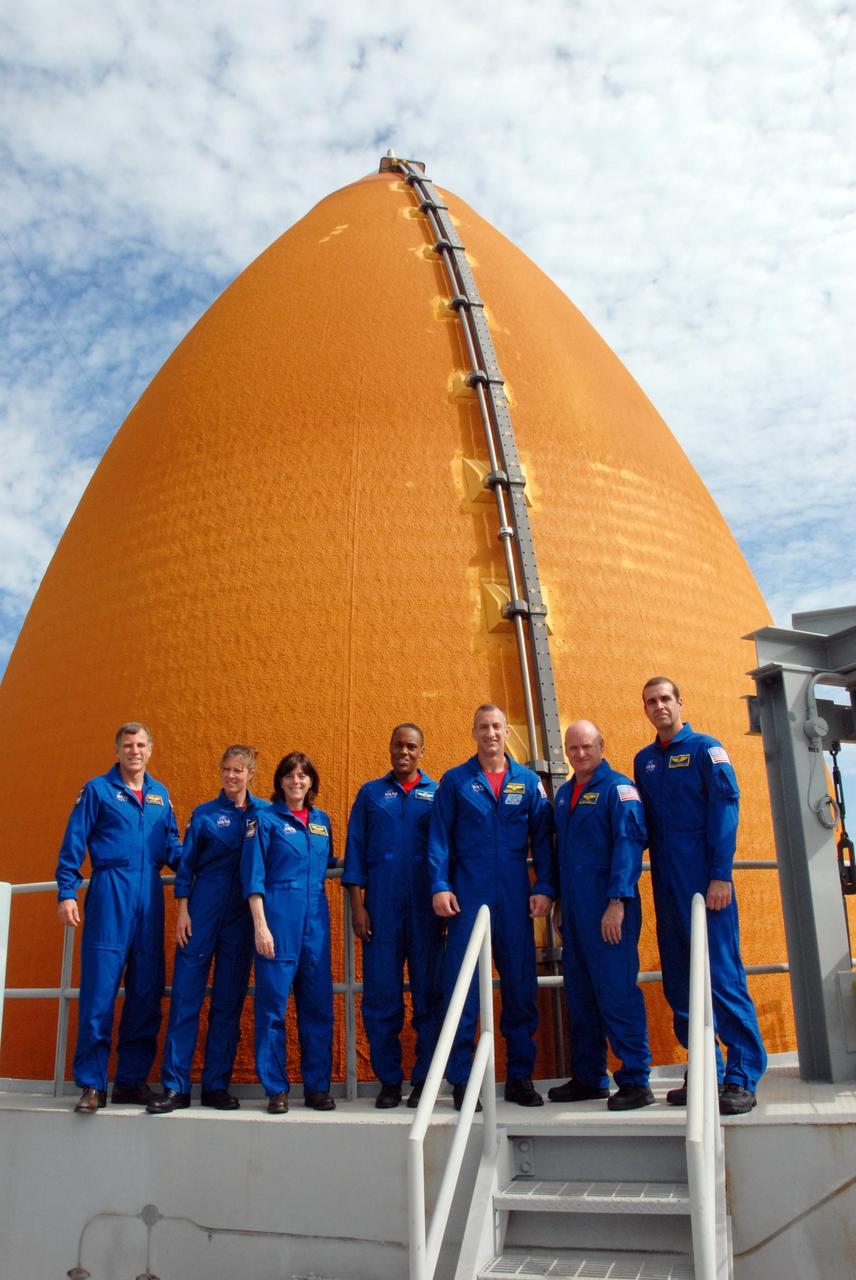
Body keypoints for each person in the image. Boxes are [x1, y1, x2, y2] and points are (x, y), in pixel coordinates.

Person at [633, 677, 767, 1115]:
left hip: (707, 883)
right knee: (680, 980)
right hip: (667, 882)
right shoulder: (645, 761)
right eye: (651, 701)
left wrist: (720, 874)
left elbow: (725, 809)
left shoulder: (706, 750)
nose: (659, 707)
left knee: (722, 975)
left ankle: (743, 1075)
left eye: (665, 698)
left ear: (679, 701)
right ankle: (705, 1068)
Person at [429, 703, 555, 1109]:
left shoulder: (527, 781)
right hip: (468, 896)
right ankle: (464, 1081)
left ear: (505, 732)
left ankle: (520, 1077)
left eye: (497, 726)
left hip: (515, 899)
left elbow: (544, 839)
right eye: (483, 726)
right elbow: (438, 840)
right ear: (474, 732)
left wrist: (545, 887)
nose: (491, 733)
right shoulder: (456, 781)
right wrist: (440, 885)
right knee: (462, 989)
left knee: (520, 989)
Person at [55, 722, 182, 1113]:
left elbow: (172, 845)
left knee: (146, 991)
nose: (135, 751)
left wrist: (199, 859)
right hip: (110, 890)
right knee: (99, 991)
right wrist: (66, 891)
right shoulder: (97, 790)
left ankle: (130, 1080)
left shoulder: (160, 796)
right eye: (128, 745)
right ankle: (92, 1084)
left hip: (149, 893)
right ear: (117, 750)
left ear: (151, 750)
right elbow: (74, 840)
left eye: (141, 745)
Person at [148, 745, 265, 1114]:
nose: (231, 776)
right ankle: (175, 1087)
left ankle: (216, 1085)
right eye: (226, 770)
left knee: (228, 1003)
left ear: (250, 774)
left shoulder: (264, 814)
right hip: (202, 910)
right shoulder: (204, 815)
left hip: (241, 915)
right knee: (185, 998)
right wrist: (183, 910)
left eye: (238, 771)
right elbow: (186, 868)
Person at [548, 721, 653, 1111]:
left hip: (610, 910)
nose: (580, 754)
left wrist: (617, 901)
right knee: (581, 995)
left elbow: (629, 845)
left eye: (587, 746)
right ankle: (589, 1076)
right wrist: (559, 903)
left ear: (601, 745)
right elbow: (563, 855)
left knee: (616, 992)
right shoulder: (564, 796)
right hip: (575, 912)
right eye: (573, 749)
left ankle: (635, 1079)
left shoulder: (618, 789)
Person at [343, 723, 442, 1109]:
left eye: (411, 746)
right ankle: (389, 1080)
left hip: (425, 909)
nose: (404, 752)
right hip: (381, 908)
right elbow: (355, 851)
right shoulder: (370, 795)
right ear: (389, 748)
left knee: (429, 997)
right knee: (381, 997)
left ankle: (424, 1081)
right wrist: (357, 906)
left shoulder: (437, 794)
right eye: (398, 745)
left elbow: (446, 850)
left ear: (422, 751)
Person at [241, 752, 336, 1114]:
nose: (297, 781)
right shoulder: (263, 821)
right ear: (280, 782)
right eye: (290, 776)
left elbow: (329, 862)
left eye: (303, 776)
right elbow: (253, 877)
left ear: (311, 782)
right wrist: (260, 925)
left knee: (318, 1008)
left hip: (315, 926)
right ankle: (276, 1088)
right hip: (277, 922)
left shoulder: (321, 822)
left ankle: (317, 1087)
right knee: (272, 1010)